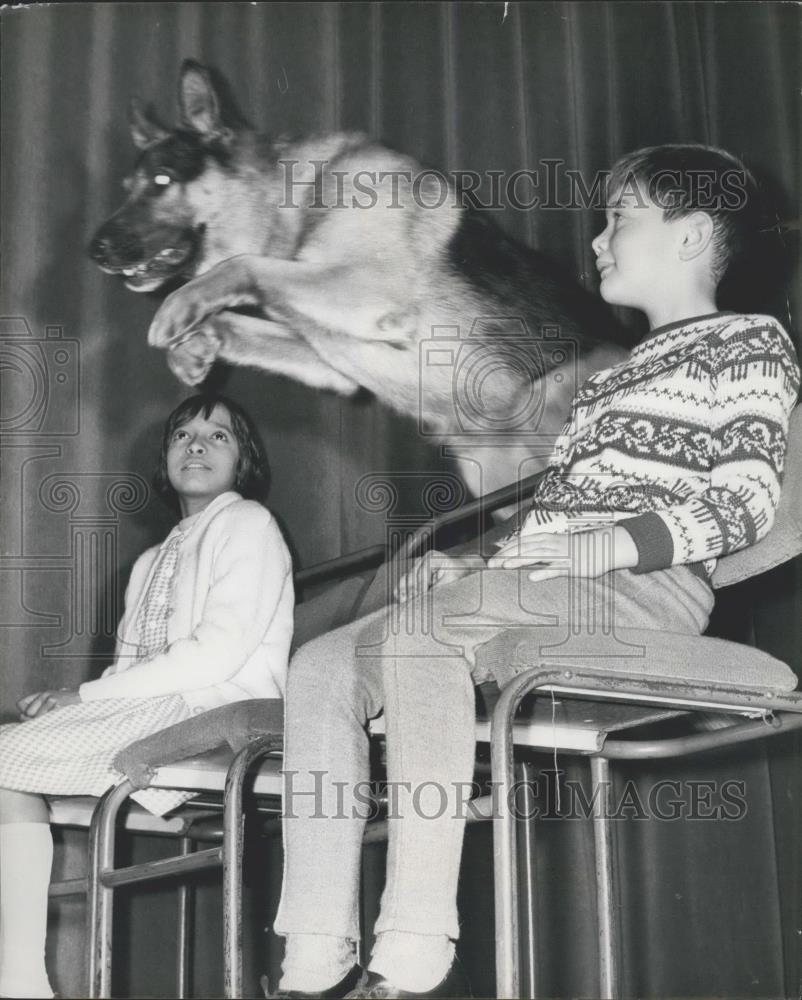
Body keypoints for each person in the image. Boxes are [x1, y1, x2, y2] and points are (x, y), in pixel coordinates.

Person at [272, 145, 800, 999]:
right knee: (320, 665)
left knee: (420, 635)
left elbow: (741, 503)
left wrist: (604, 546)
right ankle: (314, 957)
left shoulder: (746, 343)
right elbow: (552, 519)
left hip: (642, 587)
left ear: (693, 235)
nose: (597, 240)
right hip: (545, 581)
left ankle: (412, 948)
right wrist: (470, 559)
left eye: (620, 218)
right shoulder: (608, 380)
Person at [0, 394, 294, 999]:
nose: (197, 444)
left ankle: (20, 982)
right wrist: (77, 700)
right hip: (153, 714)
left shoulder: (249, 524)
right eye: (182, 435)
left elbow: (215, 656)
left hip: (214, 713)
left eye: (218, 436)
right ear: (165, 459)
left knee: (4, 761)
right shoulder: (149, 561)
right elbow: (131, 671)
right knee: (8, 770)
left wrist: (81, 698)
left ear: (244, 461)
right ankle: (19, 977)